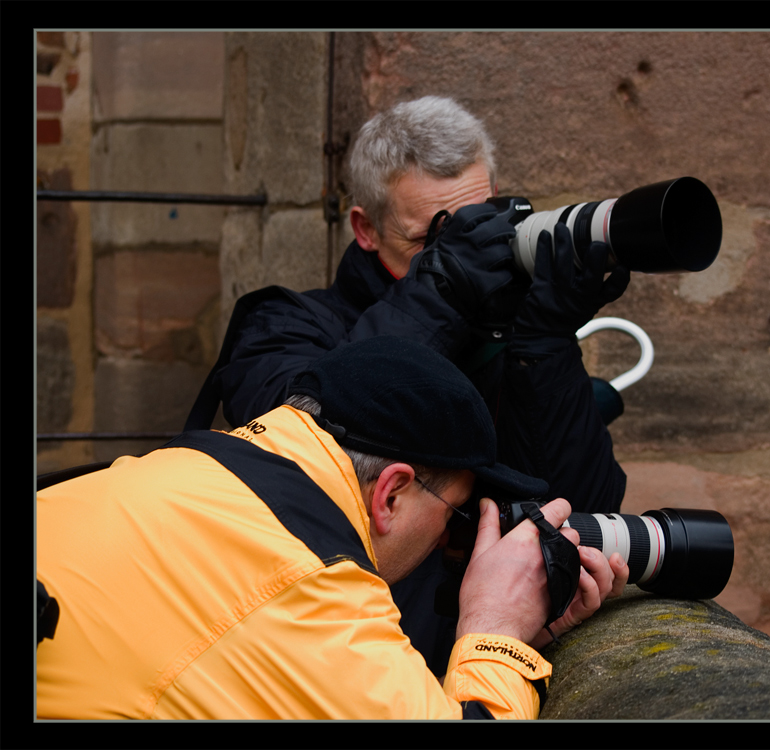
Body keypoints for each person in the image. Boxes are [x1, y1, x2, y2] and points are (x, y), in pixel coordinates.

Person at [184, 95, 631, 674]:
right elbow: (301, 435)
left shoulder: (509, 339)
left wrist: (544, 343)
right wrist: (444, 289)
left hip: (496, 664)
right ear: (366, 229)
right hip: (347, 668)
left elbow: (582, 509)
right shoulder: (283, 325)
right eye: (432, 240)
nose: (470, 253)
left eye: (480, 226)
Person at [36, 336, 628, 720]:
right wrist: (496, 629)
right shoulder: (307, 582)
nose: (454, 541)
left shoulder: (170, 472)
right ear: (392, 494)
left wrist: (519, 631)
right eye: (457, 515)